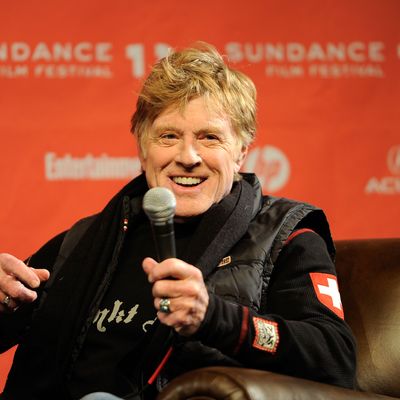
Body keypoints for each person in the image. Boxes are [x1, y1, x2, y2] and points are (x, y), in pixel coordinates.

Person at [0, 42, 356, 400]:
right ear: (142, 148)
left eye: (209, 137)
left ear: (241, 151)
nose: (187, 157)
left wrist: (214, 317)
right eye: (169, 136)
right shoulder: (83, 240)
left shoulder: (287, 235)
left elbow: (335, 356)